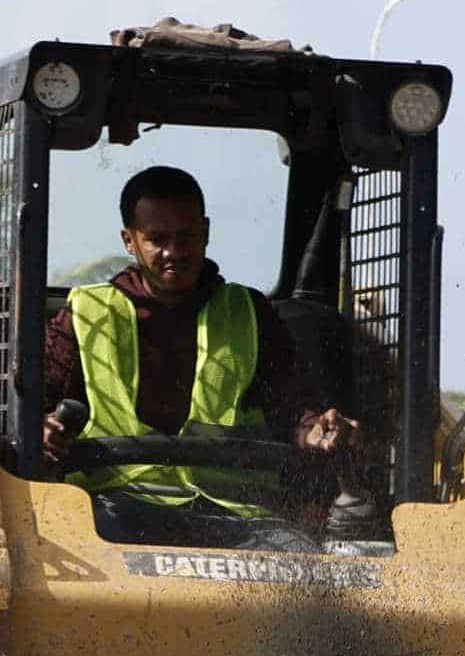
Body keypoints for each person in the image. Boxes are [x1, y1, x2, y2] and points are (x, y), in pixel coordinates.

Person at [38, 165, 352, 549]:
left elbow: (292, 405)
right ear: (130, 241)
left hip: (237, 514)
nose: (174, 252)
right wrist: (44, 427)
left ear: (205, 232)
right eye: (157, 239)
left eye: (186, 236)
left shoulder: (248, 311)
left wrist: (314, 428)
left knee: (301, 559)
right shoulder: (86, 314)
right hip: (121, 511)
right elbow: (41, 404)